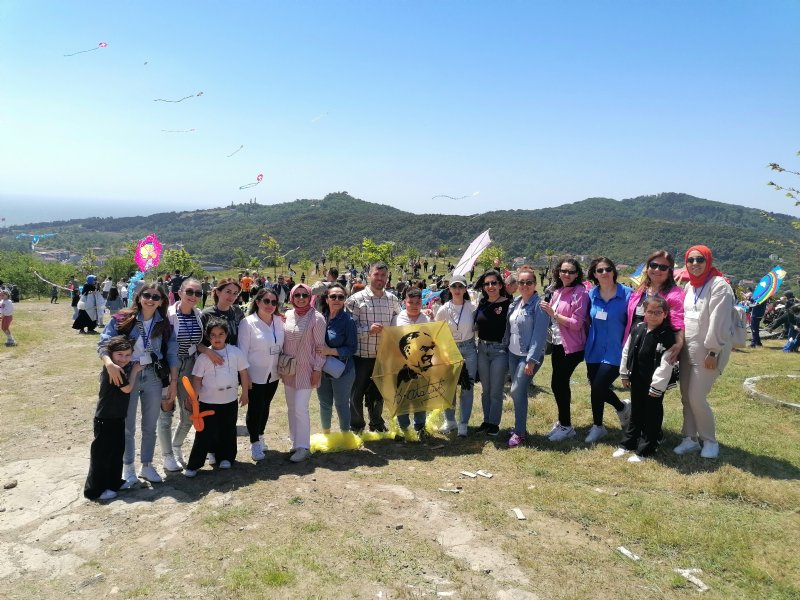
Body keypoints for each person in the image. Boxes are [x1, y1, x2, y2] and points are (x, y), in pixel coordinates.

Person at [98, 282, 178, 486]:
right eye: (147, 295)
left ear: (162, 301)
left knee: (150, 425)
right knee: (127, 425)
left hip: (152, 375)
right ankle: (128, 468)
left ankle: (147, 465)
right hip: (128, 373)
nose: (150, 300)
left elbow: (171, 352)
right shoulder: (123, 319)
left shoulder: (164, 324)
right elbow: (104, 342)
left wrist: (174, 381)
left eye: (156, 297)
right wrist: (109, 364)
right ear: (139, 297)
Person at [674, 245, 734, 459]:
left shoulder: (719, 285)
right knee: (686, 397)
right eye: (691, 260)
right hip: (687, 350)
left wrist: (714, 351)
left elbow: (720, 321)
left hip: (708, 352)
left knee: (696, 397)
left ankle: (709, 440)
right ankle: (689, 438)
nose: (695, 264)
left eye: (700, 260)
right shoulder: (690, 286)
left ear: (708, 261)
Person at [184, 318, 250, 477]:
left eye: (221, 334)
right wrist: (194, 398)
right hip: (208, 402)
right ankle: (194, 465)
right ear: (208, 337)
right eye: (213, 335)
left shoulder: (235, 352)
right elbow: (197, 379)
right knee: (204, 433)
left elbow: (243, 373)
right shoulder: (203, 358)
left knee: (227, 430)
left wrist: (245, 393)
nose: (217, 337)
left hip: (229, 401)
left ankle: (226, 458)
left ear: (227, 334)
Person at [616, 296, 675, 462]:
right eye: (650, 311)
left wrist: (657, 386)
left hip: (654, 383)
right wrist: (624, 372)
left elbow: (667, 362)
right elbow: (627, 351)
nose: (653, 315)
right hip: (636, 377)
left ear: (665, 314)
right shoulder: (638, 327)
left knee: (652, 414)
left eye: (658, 312)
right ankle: (628, 443)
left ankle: (647, 448)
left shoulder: (667, 335)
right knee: (636, 411)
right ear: (644, 312)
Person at [346, 261, 401, 433]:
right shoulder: (355, 299)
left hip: (383, 356)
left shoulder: (393, 300)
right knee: (356, 393)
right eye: (376, 274)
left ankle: (376, 423)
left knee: (378, 393)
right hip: (361, 355)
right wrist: (367, 330)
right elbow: (349, 329)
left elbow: (399, 322)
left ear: (387, 277)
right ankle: (356, 425)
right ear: (369, 275)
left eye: (383, 275)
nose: (379, 278)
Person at [84, 336, 141, 501]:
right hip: (105, 419)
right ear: (111, 354)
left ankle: (114, 482)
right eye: (119, 355)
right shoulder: (115, 370)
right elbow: (128, 389)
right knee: (102, 455)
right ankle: (95, 490)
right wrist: (136, 371)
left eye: (127, 355)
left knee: (116, 451)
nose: (123, 358)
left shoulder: (120, 367)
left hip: (117, 417)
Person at [539, 258, 589, 441]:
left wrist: (553, 313)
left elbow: (577, 324)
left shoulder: (580, 293)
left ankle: (567, 426)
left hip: (573, 347)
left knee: (559, 383)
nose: (566, 274)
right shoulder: (557, 291)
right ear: (558, 272)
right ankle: (563, 422)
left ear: (577, 274)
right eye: (563, 271)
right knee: (557, 384)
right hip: (558, 345)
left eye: (571, 271)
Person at [583, 257, 632, 443]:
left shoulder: (627, 294)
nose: (604, 273)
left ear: (614, 271)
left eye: (608, 269)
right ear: (594, 274)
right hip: (593, 349)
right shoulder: (590, 295)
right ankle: (599, 426)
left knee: (598, 387)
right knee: (595, 390)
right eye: (600, 270)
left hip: (616, 350)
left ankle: (620, 407)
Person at [158, 278, 205, 472]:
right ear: (180, 293)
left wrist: (207, 351)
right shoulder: (168, 315)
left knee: (189, 413)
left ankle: (176, 447)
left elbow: (197, 344)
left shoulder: (198, 314)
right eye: (190, 292)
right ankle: (167, 455)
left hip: (190, 366)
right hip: (170, 367)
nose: (194, 296)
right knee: (166, 412)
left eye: (198, 293)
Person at [281, 283, 326, 462]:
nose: (301, 298)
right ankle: (294, 442)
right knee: (291, 408)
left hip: (307, 369)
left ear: (310, 297)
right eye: (297, 295)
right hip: (289, 369)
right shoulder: (288, 315)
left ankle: (303, 446)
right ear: (292, 296)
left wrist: (317, 369)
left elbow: (320, 348)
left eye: (304, 295)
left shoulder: (317, 318)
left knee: (301, 408)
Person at [238, 287, 284, 461]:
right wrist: (245, 377)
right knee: (255, 408)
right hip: (254, 375)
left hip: (273, 374)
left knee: (266, 406)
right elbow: (242, 352)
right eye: (266, 301)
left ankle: (261, 435)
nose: (270, 305)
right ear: (257, 302)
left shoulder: (279, 321)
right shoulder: (247, 323)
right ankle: (254, 442)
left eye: (274, 302)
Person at [505, 267, 549, 447]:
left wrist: (531, 361)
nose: (524, 285)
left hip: (528, 356)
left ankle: (520, 433)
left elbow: (539, 336)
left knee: (516, 390)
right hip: (513, 353)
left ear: (535, 284)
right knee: (519, 392)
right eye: (521, 282)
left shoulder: (540, 306)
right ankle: (519, 427)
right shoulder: (516, 302)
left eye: (528, 282)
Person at [434, 275, 477, 437]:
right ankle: (450, 420)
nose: (457, 290)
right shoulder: (444, 309)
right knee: (448, 386)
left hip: (469, 349)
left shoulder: (472, 307)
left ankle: (463, 423)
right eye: (454, 287)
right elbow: (437, 332)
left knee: (467, 387)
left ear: (465, 289)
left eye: (460, 287)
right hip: (450, 349)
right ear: (449, 289)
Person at [624, 250, 684, 357]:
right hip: (634, 344)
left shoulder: (675, 294)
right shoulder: (640, 291)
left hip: (657, 348)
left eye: (663, 267)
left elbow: (678, 322)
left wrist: (679, 343)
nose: (657, 270)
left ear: (669, 271)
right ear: (647, 268)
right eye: (653, 265)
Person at [316, 283, 357, 434]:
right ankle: (326, 434)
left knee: (341, 404)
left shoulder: (348, 321)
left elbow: (352, 348)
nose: (337, 299)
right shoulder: (320, 318)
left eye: (341, 297)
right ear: (326, 299)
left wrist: (330, 351)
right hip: (321, 368)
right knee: (324, 403)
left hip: (343, 370)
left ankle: (345, 435)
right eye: (333, 296)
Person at [474, 269, 511, 436]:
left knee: (496, 390)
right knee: (485, 389)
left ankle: (494, 424)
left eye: (494, 283)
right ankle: (486, 421)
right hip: (482, 349)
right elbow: (475, 325)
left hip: (499, 351)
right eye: (487, 283)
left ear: (500, 285)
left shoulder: (509, 304)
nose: (490, 286)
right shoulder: (482, 303)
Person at [392, 288, 431, 438]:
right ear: (404, 302)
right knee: (402, 396)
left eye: (418, 302)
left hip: (421, 365)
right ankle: (403, 427)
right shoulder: (396, 319)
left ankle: (420, 426)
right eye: (411, 302)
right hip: (401, 365)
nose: (414, 305)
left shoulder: (426, 319)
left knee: (421, 395)